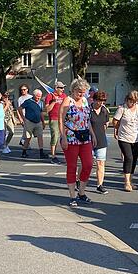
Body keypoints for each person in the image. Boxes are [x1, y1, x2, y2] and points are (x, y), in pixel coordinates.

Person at [59, 78, 96, 207]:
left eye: (83, 92)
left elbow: (87, 120)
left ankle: (81, 192)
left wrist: (92, 134)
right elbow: (61, 119)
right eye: (79, 92)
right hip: (71, 137)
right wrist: (63, 136)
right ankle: (72, 196)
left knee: (88, 164)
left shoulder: (85, 101)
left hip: (85, 136)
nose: (81, 94)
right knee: (72, 166)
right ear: (73, 90)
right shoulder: (68, 101)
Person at [113, 90, 138, 192]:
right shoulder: (122, 109)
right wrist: (118, 129)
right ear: (127, 99)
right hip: (124, 137)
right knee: (129, 158)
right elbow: (115, 121)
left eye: (135, 101)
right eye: (131, 101)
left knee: (134, 159)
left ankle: (131, 180)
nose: (133, 103)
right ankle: (126, 182)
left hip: (136, 138)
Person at [89, 91, 110, 194]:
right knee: (87, 164)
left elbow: (106, 123)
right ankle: (79, 180)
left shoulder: (105, 111)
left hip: (101, 140)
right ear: (94, 100)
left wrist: (102, 132)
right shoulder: (88, 110)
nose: (101, 103)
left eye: (103, 101)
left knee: (101, 163)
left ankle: (99, 185)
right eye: (99, 101)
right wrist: (92, 136)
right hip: (89, 140)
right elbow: (86, 124)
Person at [45, 81, 68, 164]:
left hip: (63, 119)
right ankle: (53, 156)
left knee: (65, 137)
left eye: (63, 87)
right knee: (55, 137)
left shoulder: (64, 96)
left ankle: (67, 155)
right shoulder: (50, 96)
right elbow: (47, 110)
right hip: (54, 119)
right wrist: (54, 101)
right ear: (56, 88)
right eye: (61, 88)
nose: (63, 89)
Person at [19, 89, 45, 158]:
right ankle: (24, 151)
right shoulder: (28, 101)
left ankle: (41, 152)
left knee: (40, 137)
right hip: (29, 121)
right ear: (34, 95)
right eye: (37, 96)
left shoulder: (41, 102)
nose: (39, 98)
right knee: (28, 137)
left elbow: (41, 112)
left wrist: (43, 122)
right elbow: (20, 108)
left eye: (40, 96)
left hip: (38, 121)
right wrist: (23, 118)